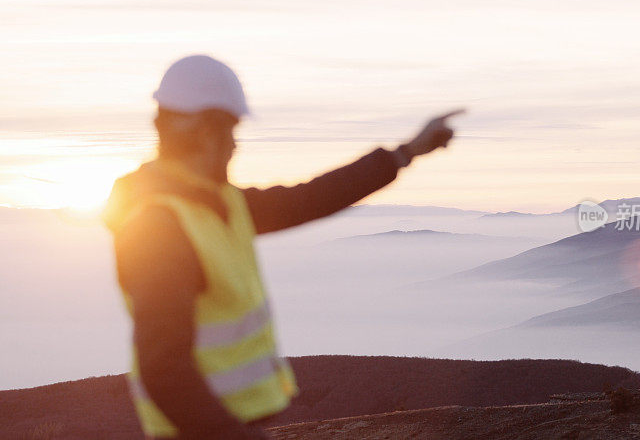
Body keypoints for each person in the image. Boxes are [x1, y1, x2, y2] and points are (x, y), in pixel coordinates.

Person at [101, 54, 463, 440]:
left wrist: (406, 152)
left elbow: (312, 197)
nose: (234, 145)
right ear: (206, 129)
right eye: (231, 129)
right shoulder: (159, 227)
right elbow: (164, 371)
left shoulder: (219, 203)